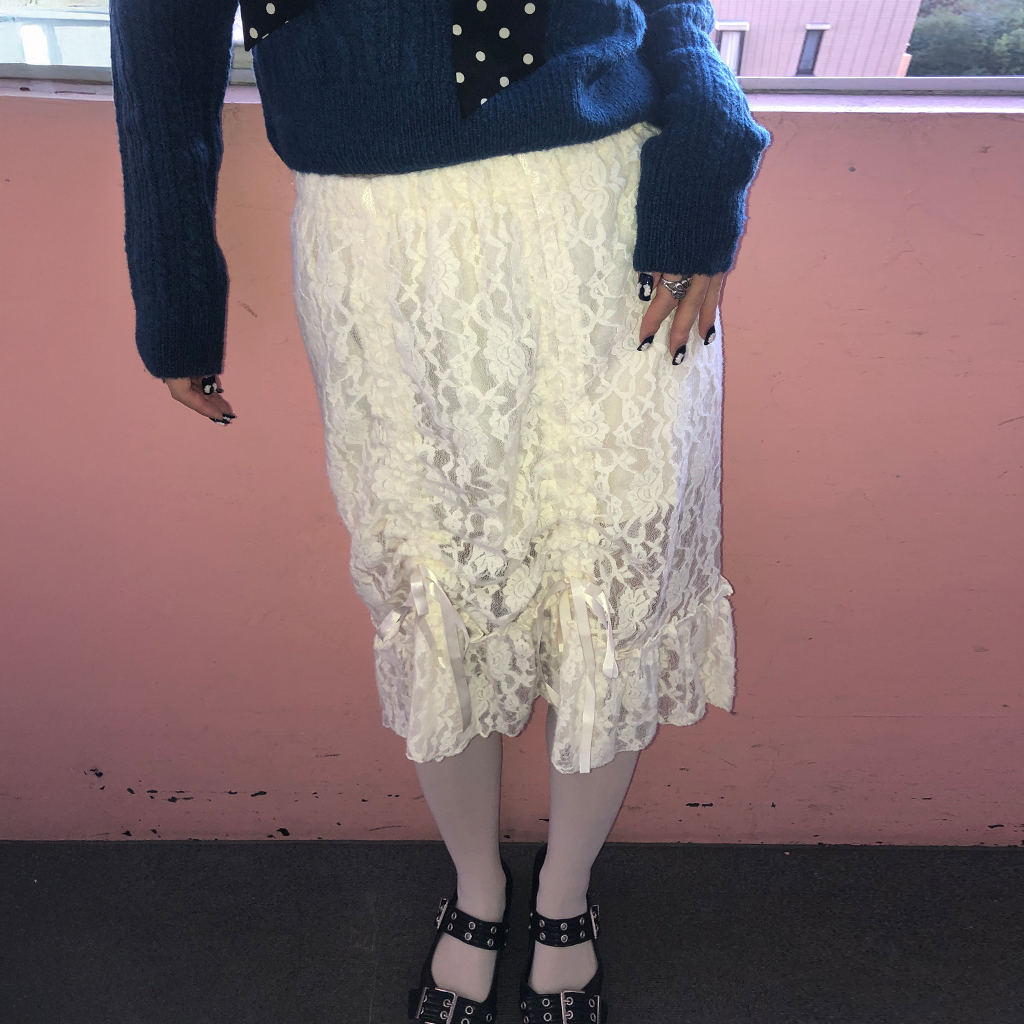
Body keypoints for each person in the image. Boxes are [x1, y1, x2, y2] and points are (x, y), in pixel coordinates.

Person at [109, 1, 770, 1020]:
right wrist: (176, 298)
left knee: (611, 578)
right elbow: (161, 72)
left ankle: (565, 895)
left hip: (608, 220)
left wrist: (706, 153)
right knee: (438, 588)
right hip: (383, 248)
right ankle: (477, 888)